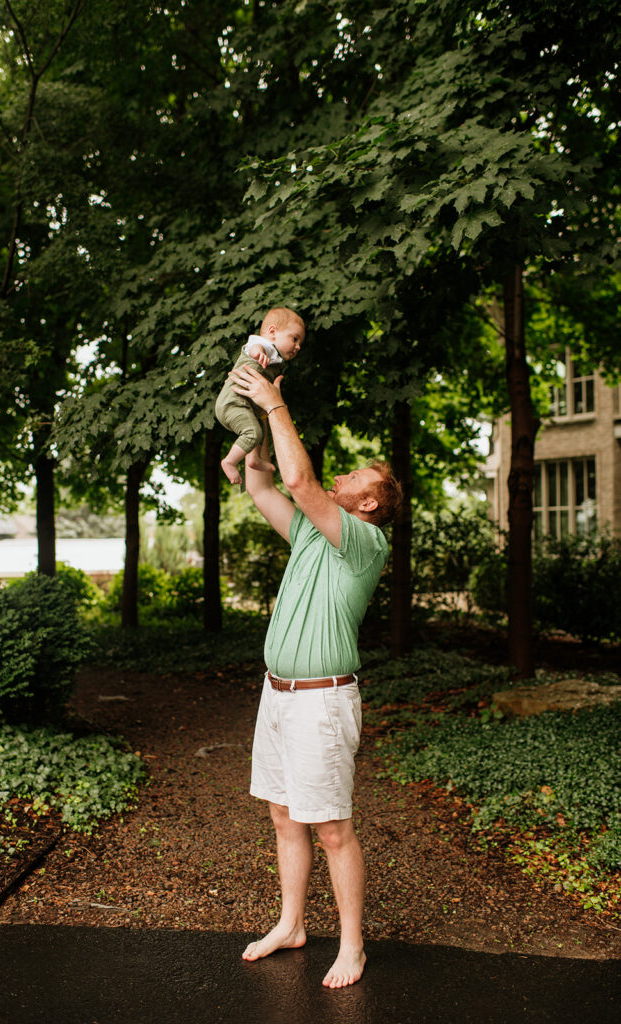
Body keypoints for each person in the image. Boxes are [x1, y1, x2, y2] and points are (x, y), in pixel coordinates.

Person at [228, 360, 402, 989]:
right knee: (283, 816)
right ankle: (293, 924)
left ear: (369, 502)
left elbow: (300, 480)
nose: (343, 474)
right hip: (277, 695)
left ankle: (351, 946)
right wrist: (248, 452)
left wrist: (273, 402)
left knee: (332, 827)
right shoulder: (311, 532)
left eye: (356, 475)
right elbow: (269, 488)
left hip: (322, 703)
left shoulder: (362, 540)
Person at [215, 306, 305, 485]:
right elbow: (254, 347)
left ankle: (253, 459)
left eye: (300, 342)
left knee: (260, 431)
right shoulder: (264, 346)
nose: (298, 346)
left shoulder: (276, 359)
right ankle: (230, 461)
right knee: (254, 432)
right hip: (232, 404)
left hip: (245, 406)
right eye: (294, 338)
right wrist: (259, 353)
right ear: (273, 332)